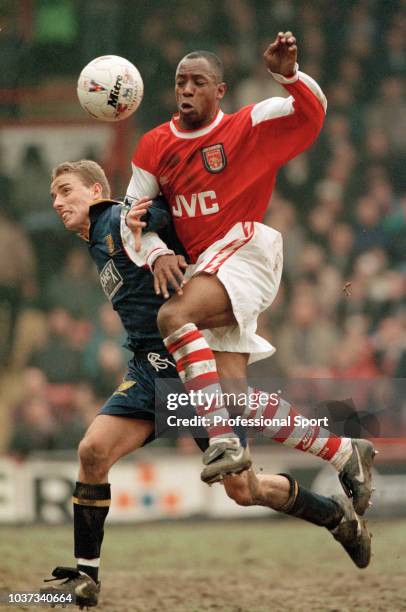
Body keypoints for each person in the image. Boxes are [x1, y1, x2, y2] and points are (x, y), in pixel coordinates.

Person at [42, 161, 372, 608]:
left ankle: (337, 506)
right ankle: (86, 578)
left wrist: (149, 217)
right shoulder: (96, 240)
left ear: (96, 190)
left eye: (65, 190)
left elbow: (153, 212)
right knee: (92, 452)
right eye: (53, 195)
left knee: (245, 490)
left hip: (190, 364)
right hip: (147, 370)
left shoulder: (114, 217)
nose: (58, 201)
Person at [123, 33, 376, 493]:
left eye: (198, 82)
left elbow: (313, 114)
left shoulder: (248, 126)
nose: (186, 90)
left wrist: (289, 77)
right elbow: (130, 218)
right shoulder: (155, 146)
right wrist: (156, 250)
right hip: (208, 269)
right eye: (181, 82)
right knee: (235, 399)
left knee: (173, 315)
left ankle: (220, 441)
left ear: (220, 90)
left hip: (246, 250)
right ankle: (344, 452)